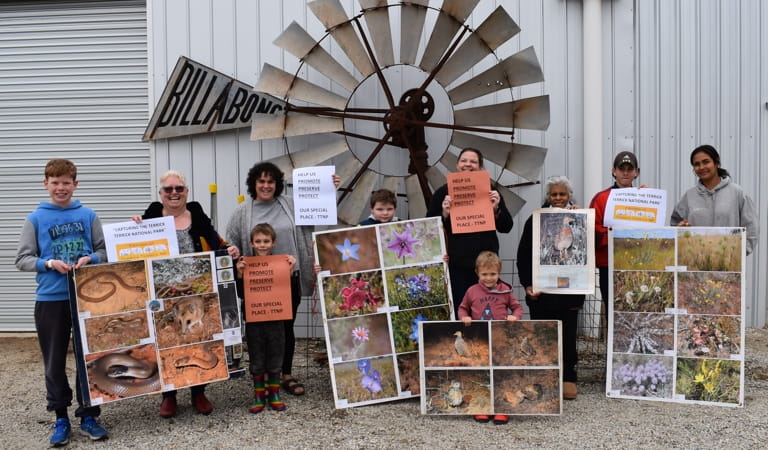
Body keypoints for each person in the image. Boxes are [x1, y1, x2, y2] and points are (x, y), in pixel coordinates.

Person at [15, 159, 109, 446]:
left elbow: (104, 251)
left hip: (85, 297)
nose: (60, 188)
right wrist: (49, 263)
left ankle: (89, 416)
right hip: (51, 299)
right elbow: (22, 259)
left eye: (66, 182)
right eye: (55, 182)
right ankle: (60, 418)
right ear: (46, 184)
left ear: (75, 185)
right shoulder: (35, 219)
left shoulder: (89, 215)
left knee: (88, 358)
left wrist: (90, 259)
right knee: (54, 361)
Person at [133, 170, 240, 418]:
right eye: (168, 189)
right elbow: (132, 249)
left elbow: (216, 243)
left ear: (186, 192)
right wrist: (134, 226)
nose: (174, 193)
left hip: (195, 290)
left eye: (179, 188)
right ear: (160, 194)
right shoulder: (149, 218)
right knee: (166, 339)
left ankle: (198, 391)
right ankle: (169, 395)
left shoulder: (198, 216)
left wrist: (229, 250)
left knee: (196, 337)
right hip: (163, 291)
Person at [227, 162, 339, 396]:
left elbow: (317, 208)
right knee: (258, 330)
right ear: (254, 184)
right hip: (256, 282)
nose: (266, 186)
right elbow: (232, 242)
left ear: (277, 184)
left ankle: (284, 374)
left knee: (286, 328)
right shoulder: (242, 211)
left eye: (271, 181)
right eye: (261, 181)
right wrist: (235, 257)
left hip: (288, 279)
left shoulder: (291, 203)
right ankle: (262, 375)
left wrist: (329, 189)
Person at [516, 175, 586, 400]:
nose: (558, 198)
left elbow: (586, 253)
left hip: (569, 295)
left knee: (567, 336)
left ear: (569, 196)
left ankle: (568, 377)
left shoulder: (579, 217)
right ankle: (542, 376)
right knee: (541, 336)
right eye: (554, 194)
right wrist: (528, 284)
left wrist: (580, 219)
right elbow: (523, 255)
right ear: (548, 196)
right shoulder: (535, 220)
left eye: (562, 194)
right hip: (542, 294)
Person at [427, 148, 514, 314]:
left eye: (473, 162)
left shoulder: (490, 191)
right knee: (461, 311)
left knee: (485, 311)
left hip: (485, 267)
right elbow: (429, 228)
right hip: (456, 265)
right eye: (464, 161)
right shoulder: (443, 192)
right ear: (457, 165)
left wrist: (496, 209)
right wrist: (444, 213)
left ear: (480, 167)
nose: (468, 164)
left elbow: (507, 227)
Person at [457, 251, 522, 425]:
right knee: (481, 371)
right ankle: (482, 407)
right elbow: (462, 308)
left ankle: (501, 408)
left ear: (499, 272)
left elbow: (517, 308)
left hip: (500, 339)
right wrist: (465, 317)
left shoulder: (506, 291)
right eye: (484, 274)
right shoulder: (472, 291)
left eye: (493, 274)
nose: (488, 278)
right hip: (480, 340)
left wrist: (514, 317)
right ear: (477, 272)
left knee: (501, 372)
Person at [235, 223, 295, 413]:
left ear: (273, 242)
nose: (262, 245)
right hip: (254, 320)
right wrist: (239, 274)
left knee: (276, 355)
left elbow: (288, 293)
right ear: (251, 243)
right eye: (258, 241)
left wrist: (290, 272)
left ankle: (274, 393)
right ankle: (259, 395)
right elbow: (240, 293)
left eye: (266, 241)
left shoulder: (281, 264)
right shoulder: (246, 264)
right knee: (257, 357)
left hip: (276, 319)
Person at [589, 151, 646, 319]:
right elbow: (592, 231)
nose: (626, 172)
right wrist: (616, 236)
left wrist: (650, 197)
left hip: (638, 265)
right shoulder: (601, 198)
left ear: (637, 172)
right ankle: (611, 345)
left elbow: (652, 227)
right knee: (613, 313)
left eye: (630, 168)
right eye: (622, 168)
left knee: (639, 309)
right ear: (614, 171)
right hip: (609, 265)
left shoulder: (645, 197)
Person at [671, 144, 758, 254]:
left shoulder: (737, 193)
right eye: (697, 164)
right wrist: (680, 231)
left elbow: (752, 227)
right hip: (696, 264)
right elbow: (674, 225)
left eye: (706, 162)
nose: (702, 167)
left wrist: (739, 253)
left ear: (716, 162)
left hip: (729, 264)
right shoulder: (689, 196)